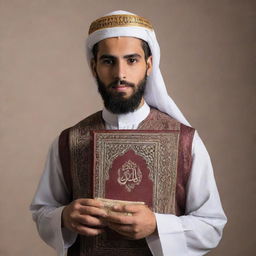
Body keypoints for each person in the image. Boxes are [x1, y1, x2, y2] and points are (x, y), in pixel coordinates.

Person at [30, 10, 227, 256]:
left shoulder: (185, 141)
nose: (120, 74)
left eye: (132, 60)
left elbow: (211, 225)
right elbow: (42, 211)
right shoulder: (69, 141)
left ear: (149, 64)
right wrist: (64, 217)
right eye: (109, 61)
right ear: (94, 67)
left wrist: (157, 226)